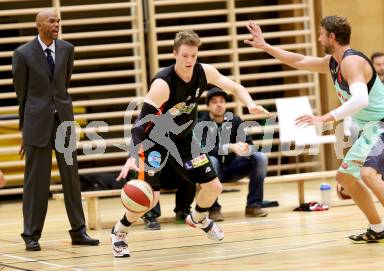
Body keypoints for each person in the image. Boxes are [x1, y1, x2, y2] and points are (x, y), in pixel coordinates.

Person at [245, 16, 384, 255]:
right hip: (372, 130)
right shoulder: (333, 62)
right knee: (345, 178)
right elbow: (299, 60)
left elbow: (360, 99)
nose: (319, 38)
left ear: (332, 37)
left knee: (369, 175)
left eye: (321, 34)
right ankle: (378, 228)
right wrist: (267, 47)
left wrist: (324, 118)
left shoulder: (351, 62)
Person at [112, 30, 269, 258]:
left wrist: (250, 104)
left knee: (214, 187)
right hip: (156, 143)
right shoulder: (163, 84)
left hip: (185, 141)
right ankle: (119, 233)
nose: (189, 61)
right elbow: (139, 125)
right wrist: (132, 155)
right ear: (174, 54)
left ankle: (198, 218)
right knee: (149, 198)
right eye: (184, 55)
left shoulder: (204, 72)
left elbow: (234, 87)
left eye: (193, 55)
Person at [12, 9, 99, 251]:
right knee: (36, 182)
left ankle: (79, 232)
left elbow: (64, 84)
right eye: (52, 21)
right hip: (35, 124)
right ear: (39, 24)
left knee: (71, 179)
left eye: (58, 21)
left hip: (64, 121)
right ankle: (31, 234)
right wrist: (24, 131)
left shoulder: (67, 49)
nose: (57, 24)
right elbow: (22, 94)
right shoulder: (22, 54)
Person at [198, 87, 270, 221]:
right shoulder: (201, 123)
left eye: (222, 101)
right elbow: (203, 150)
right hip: (212, 171)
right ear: (208, 106)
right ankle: (214, 209)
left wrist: (245, 148)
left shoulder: (235, 120)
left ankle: (253, 205)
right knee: (211, 160)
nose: (219, 104)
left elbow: (249, 143)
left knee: (260, 157)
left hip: (233, 168)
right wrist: (230, 147)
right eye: (214, 101)